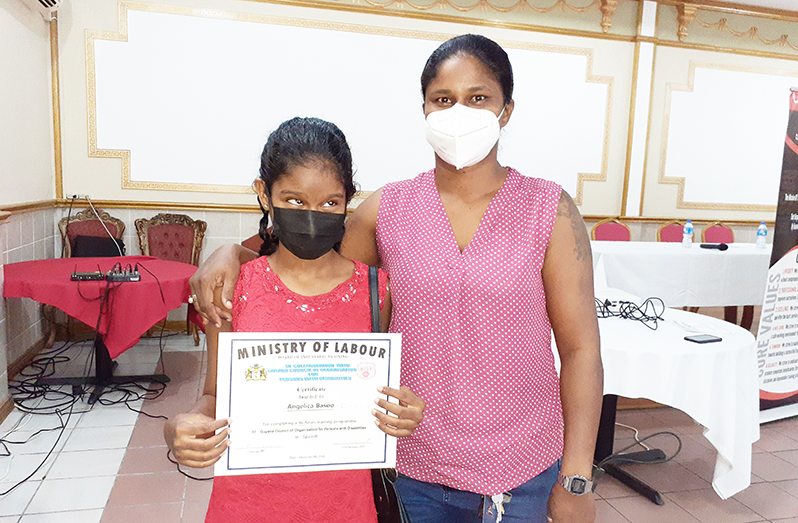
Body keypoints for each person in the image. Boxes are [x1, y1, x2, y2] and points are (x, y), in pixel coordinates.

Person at [190, 35, 603, 523]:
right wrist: (228, 254)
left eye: (478, 98)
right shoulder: (385, 211)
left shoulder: (548, 209)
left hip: (522, 469)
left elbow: (580, 350)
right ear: (425, 109)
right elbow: (310, 269)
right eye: (443, 100)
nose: (459, 112)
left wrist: (576, 476)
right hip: (413, 466)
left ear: (506, 110)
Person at [164, 117, 425, 523]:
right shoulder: (234, 289)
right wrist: (179, 429)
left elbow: (382, 390)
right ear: (264, 195)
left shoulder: (378, 290)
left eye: (329, 203)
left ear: (347, 202)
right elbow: (214, 394)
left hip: (345, 505)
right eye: (295, 200)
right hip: (249, 504)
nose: (311, 215)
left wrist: (404, 411)